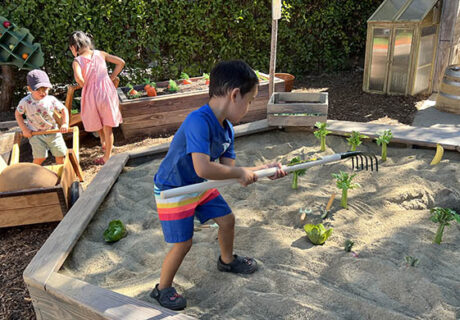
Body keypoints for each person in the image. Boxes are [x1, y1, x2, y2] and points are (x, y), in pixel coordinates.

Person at [152, 60, 287, 310]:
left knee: (227, 219)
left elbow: (230, 171)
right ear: (235, 95)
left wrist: (264, 170)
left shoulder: (228, 130)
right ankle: (162, 289)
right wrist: (240, 172)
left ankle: (226, 260)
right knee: (183, 243)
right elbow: (203, 167)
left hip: (199, 186)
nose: (248, 107)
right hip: (174, 190)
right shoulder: (198, 121)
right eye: (250, 101)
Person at [69, 31, 125, 165]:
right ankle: (106, 148)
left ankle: (105, 149)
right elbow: (121, 62)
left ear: (73, 47)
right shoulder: (101, 54)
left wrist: (85, 84)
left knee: (95, 118)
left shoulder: (77, 61)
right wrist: (110, 77)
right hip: (106, 91)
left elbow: (79, 79)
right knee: (107, 126)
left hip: (91, 94)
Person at [15, 69, 69, 165]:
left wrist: (65, 123)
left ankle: (61, 176)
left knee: (60, 155)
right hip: (35, 134)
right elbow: (18, 114)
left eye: (45, 89)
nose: (42, 93)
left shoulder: (51, 100)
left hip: (53, 132)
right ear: (29, 89)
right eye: (38, 90)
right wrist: (24, 129)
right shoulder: (25, 102)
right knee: (40, 157)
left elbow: (63, 109)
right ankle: (33, 174)